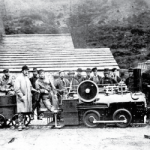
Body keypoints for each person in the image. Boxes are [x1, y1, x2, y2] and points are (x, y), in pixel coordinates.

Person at [14, 65, 38, 131]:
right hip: (21, 99)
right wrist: (22, 96)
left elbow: (30, 87)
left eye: (27, 71)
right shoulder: (18, 78)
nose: (26, 72)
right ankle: (20, 125)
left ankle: (23, 124)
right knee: (21, 112)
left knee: (25, 112)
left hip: (27, 98)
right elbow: (17, 89)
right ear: (22, 71)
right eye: (25, 70)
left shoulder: (27, 78)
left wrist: (36, 90)